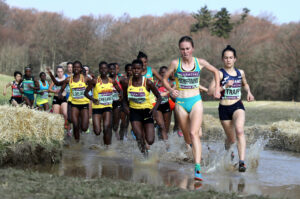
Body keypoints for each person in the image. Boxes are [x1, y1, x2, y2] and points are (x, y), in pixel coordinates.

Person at [163, 36, 220, 181]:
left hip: (196, 101)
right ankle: (190, 149)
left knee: (194, 133)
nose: (185, 51)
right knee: (188, 136)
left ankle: (197, 168)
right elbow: (164, 79)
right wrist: (170, 89)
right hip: (181, 103)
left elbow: (216, 72)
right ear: (179, 50)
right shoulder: (175, 63)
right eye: (182, 49)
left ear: (192, 49)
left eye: (187, 48)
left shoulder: (199, 62)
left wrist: (217, 88)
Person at [208, 45, 254, 172]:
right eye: (226, 58)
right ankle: (229, 152)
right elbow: (210, 92)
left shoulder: (241, 72)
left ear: (235, 59)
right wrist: (224, 87)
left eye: (231, 58)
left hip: (237, 105)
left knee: (239, 130)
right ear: (223, 59)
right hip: (224, 108)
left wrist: (249, 92)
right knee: (231, 139)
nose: (228, 60)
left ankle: (242, 162)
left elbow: (245, 84)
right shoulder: (219, 74)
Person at [122, 59, 162, 156]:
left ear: (142, 69)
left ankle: (147, 143)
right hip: (134, 112)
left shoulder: (148, 83)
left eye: (138, 69)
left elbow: (159, 97)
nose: (136, 71)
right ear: (131, 69)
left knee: (150, 140)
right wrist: (127, 110)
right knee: (139, 137)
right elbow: (124, 99)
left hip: (147, 111)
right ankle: (145, 156)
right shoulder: (126, 82)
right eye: (134, 68)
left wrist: (154, 109)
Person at [48, 61, 91, 141]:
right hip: (74, 104)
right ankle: (77, 143)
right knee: (75, 124)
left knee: (84, 128)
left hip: (84, 104)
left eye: (78, 67)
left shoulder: (86, 78)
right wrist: (60, 92)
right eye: (74, 67)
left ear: (81, 69)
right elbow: (58, 84)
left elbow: (94, 84)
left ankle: (80, 128)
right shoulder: (69, 79)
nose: (75, 69)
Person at [84, 61, 121, 145]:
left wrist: (120, 96)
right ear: (99, 70)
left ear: (108, 70)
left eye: (105, 68)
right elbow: (85, 93)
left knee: (106, 128)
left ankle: (106, 147)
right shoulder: (95, 81)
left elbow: (120, 91)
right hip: (97, 108)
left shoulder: (112, 81)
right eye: (101, 68)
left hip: (107, 108)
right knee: (97, 131)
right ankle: (102, 141)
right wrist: (92, 99)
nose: (103, 70)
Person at [153, 66, 172, 142]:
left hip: (166, 105)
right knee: (162, 125)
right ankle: (161, 142)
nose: (164, 74)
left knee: (166, 127)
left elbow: (174, 93)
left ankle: (164, 142)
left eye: (165, 73)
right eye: (162, 73)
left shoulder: (169, 83)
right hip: (158, 106)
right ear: (159, 74)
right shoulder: (154, 83)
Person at [49, 66, 69, 131]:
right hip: (56, 98)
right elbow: (49, 89)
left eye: (61, 72)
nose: (60, 73)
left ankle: (67, 127)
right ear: (56, 73)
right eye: (58, 72)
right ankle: (57, 130)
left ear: (63, 72)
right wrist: (54, 91)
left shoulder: (66, 79)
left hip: (63, 98)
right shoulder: (54, 80)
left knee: (65, 113)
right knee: (56, 115)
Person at [108, 63, 123, 139]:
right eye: (110, 69)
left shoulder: (120, 79)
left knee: (116, 122)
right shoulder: (104, 79)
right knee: (108, 121)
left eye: (113, 69)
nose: (112, 71)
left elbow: (123, 91)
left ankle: (116, 132)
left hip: (117, 103)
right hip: (107, 103)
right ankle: (108, 138)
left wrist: (121, 96)